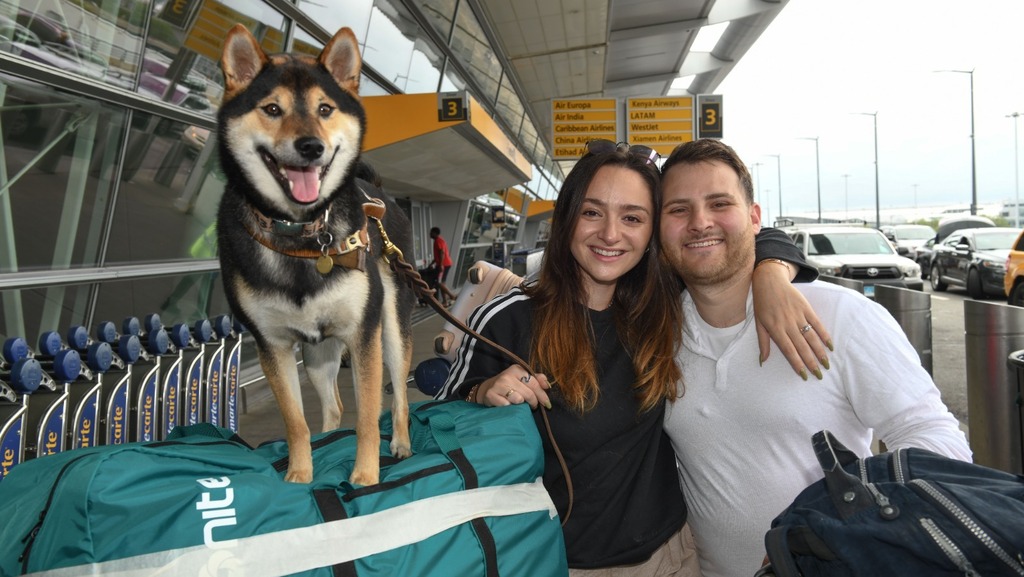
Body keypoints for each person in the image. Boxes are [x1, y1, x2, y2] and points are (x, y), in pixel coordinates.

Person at [435, 139, 824, 575]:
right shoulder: (507, 320)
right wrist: (482, 395)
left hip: (672, 556)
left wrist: (771, 272)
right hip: (553, 562)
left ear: (652, 232)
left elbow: (744, 235)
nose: (610, 234)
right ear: (566, 220)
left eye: (633, 218)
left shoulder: (664, 306)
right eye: (592, 212)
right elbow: (438, 429)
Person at [658, 138, 973, 577]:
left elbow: (938, 443)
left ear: (754, 218)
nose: (699, 222)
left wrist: (848, 527)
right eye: (678, 210)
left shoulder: (840, 315)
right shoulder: (658, 335)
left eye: (719, 203)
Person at [429, 226, 458, 306]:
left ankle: (452, 296)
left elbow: (442, 253)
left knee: (439, 283)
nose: (430, 234)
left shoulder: (438, 241)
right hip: (444, 264)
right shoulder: (438, 240)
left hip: (444, 264)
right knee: (442, 283)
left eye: (431, 232)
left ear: (435, 233)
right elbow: (438, 255)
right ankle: (445, 302)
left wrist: (441, 265)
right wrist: (432, 263)